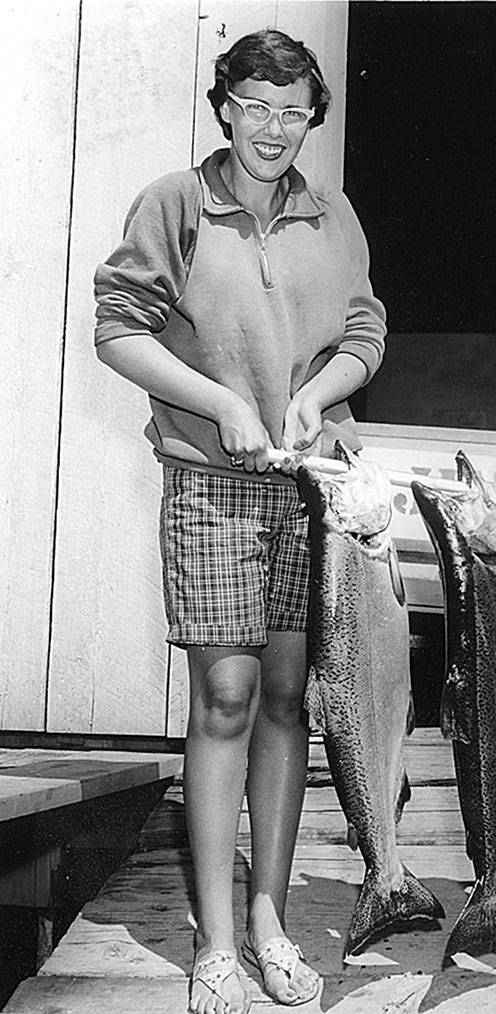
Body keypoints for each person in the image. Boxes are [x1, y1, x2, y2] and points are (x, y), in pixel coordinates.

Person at [94, 29, 386, 1014]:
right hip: (211, 485)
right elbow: (118, 327)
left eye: (291, 109)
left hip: (313, 491)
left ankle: (268, 917)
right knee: (225, 693)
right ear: (225, 107)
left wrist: (319, 397)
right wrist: (220, 402)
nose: (271, 126)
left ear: (312, 118)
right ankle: (214, 941)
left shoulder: (329, 212)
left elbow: (362, 331)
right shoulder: (176, 203)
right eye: (254, 104)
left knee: (289, 701)